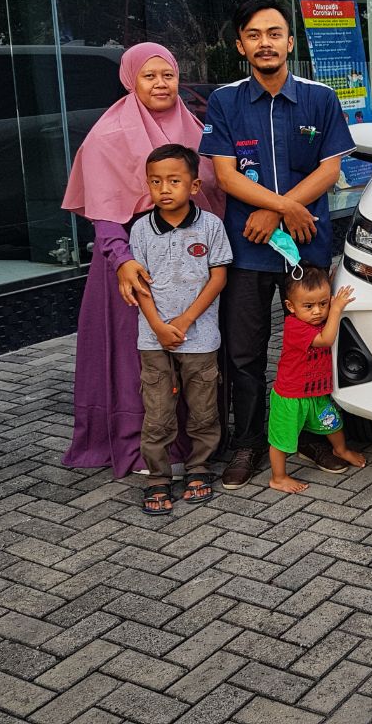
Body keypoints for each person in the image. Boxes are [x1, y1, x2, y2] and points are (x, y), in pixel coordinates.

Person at [199, 0, 354, 490]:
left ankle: (308, 434)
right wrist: (281, 207)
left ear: (290, 42)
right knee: (245, 352)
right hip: (247, 247)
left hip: (304, 247)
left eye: (273, 33)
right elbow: (225, 176)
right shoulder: (225, 102)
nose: (264, 43)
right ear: (240, 46)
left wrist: (280, 210)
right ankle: (247, 442)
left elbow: (330, 169)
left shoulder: (319, 98)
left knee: (310, 346)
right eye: (254, 35)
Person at [62, 43, 224, 478]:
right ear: (130, 80)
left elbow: (214, 190)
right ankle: (142, 447)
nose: (160, 84)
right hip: (134, 264)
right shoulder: (107, 136)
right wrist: (122, 262)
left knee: (192, 346)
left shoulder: (194, 128)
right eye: (149, 76)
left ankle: (196, 442)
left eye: (167, 75)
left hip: (190, 261)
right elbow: (104, 214)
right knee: (141, 358)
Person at [130, 144, 233, 514]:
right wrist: (159, 326)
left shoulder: (211, 226)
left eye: (174, 181)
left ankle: (199, 467)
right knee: (157, 411)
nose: (164, 189)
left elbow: (218, 278)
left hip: (200, 337)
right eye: (156, 181)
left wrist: (186, 320)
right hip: (153, 338)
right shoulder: (141, 230)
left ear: (194, 186)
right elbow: (139, 285)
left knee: (203, 408)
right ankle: (158, 477)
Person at [268, 266, 366, 493]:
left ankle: (340, 450)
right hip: (291, 396)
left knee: (333, 424)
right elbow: (325, 340)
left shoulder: (315, 319)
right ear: (290, 307)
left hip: (317, 392)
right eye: (308, 306)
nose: (317, 312)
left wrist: (333, 281)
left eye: (323, 303)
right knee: (281, 439)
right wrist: (336, 308)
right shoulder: (295, 326)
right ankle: (278, 477)